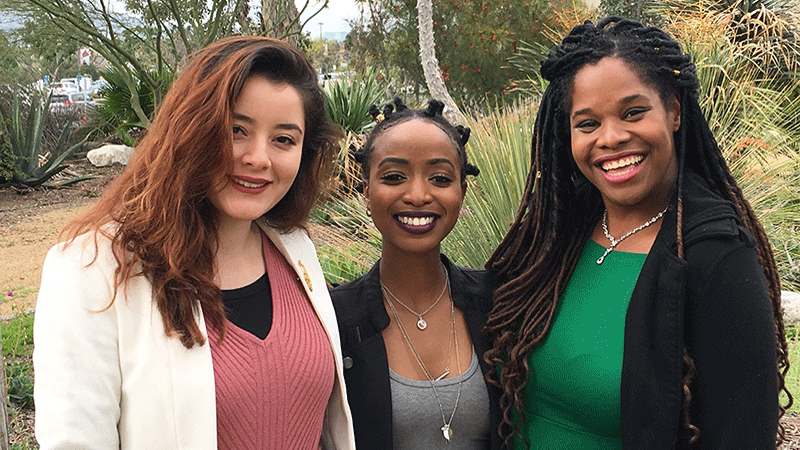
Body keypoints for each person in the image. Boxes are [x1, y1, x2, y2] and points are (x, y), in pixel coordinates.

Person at [33, 36, 355, 450]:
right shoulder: (94, 268)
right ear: (193, 130)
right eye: (236, 130)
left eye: (284, 139)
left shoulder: (295, 250)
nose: (259, 158)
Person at [483, 17, 791, 450]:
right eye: (587, 124)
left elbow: (740, 434)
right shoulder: (558, 234)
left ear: (674, 111)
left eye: (633, 112)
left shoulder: (714, 256)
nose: (611, 137)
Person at [331, 98, 501, 449]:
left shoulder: (498, 303)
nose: (418, 195)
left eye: (440, 178)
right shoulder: (334, 320)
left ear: (461, 190)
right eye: (394, 177)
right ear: (366, 191)